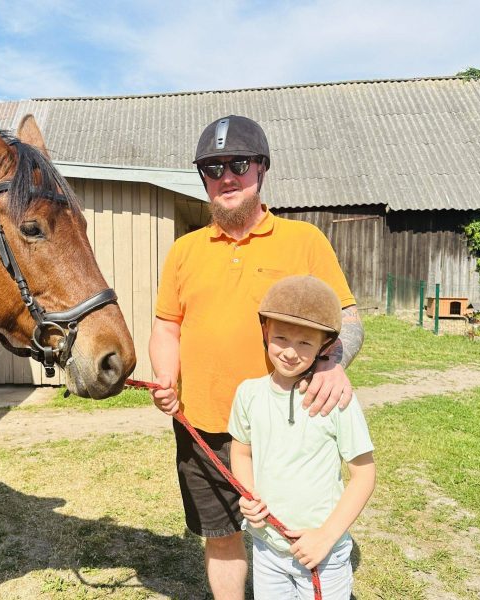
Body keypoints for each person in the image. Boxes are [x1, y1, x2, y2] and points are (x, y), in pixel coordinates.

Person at [149, 115, 364, 600]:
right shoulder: (183, 251)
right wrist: (167, 375)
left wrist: (332, 362)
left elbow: (348, 319)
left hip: (286, 428)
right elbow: (167, 326)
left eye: (238, 163)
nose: (226, 176)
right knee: (221, 536)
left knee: (293, 538)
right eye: (212, 167)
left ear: (261, 170)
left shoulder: (304, 241)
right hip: (202, 424)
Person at [229, 275, 375, 599]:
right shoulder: (248, 395)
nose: (291, 352)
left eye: (305, 343)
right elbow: (240, 453)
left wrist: (326, 537)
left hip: (324, 554)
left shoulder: (336, 399)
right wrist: (249, 494)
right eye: (281, 337)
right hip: (267, 547)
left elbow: (364, 475)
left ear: (325, 345)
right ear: (265, 330)